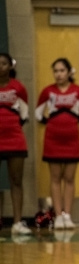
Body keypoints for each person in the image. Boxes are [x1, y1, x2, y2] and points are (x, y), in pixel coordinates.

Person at [35, 58, 79, 230]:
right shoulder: (47, 91)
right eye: (56, 71)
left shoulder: (78, 91)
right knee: (55, 178)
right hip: (53, 139)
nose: (58, 74)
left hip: (72, 139)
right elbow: (38, 114)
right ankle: (58, 216)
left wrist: (70, 122)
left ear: (69, 72)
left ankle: (67, 215)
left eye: (62, 71)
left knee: (70, 178)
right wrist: (51, 122)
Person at [0, 53, 32, 235]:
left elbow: (24, 115)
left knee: (16, 181)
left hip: (14, 140)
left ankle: (18, 223)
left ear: (10, 66)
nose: (0, 67)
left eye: (3, 63)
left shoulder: (18, 87)